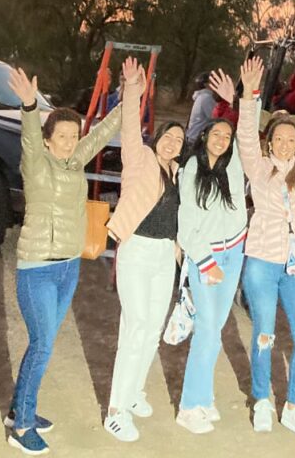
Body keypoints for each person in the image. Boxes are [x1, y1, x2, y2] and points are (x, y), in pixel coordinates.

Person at [5, 64, 127, 455]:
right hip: (38, 268)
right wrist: (29, 106)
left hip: (68, 267)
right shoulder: (36, 162)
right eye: (62, 136)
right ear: (47, 140)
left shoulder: (75, 161)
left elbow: (102, 133)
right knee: (42, 345)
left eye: (74, 135)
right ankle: (22, 427)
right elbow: (28, 137)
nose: (71, 142)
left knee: (43, 344)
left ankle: (19, 409)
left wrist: (129, 97)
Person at [230, 57, 295, 440]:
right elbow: (245, 137)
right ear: (270, 142)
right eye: (279, 139)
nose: (285, 144)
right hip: (262, 262)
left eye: (291, 140)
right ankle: (262, 401)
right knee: (265, 333)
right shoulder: (259, 168)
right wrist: (248, 95)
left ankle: (293, 406)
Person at [104, 60, 185, 442]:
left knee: (152, 329)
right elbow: (129, 128)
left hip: (164, 256)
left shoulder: (177, 173)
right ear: (158, 138)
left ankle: (134, 391)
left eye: (179, 141)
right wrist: (134, 86)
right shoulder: (140, 160)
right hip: (137, 251)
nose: (172, 143)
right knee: (134, 327)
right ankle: (115, 411)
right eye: (168, 136)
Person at [176, 112, 247, 434]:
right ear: (205, 136)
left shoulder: (233, 165)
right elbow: (186, 226)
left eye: (227, 136)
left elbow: (247, 129)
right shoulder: (192, 168)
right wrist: (206, 262)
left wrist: (247, 98)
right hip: (206, 256)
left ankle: (204, 396)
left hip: (234, 253)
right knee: (206, 330)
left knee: (215, 328)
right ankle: (189, 405)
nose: (222, 140)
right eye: (216, 134)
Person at [185, 72, 215, 145]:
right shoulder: (207, 98)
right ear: (206, 84)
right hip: (196, 138)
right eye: (213, 81)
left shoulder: (201, 96)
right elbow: (214, 118)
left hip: (192, 135)